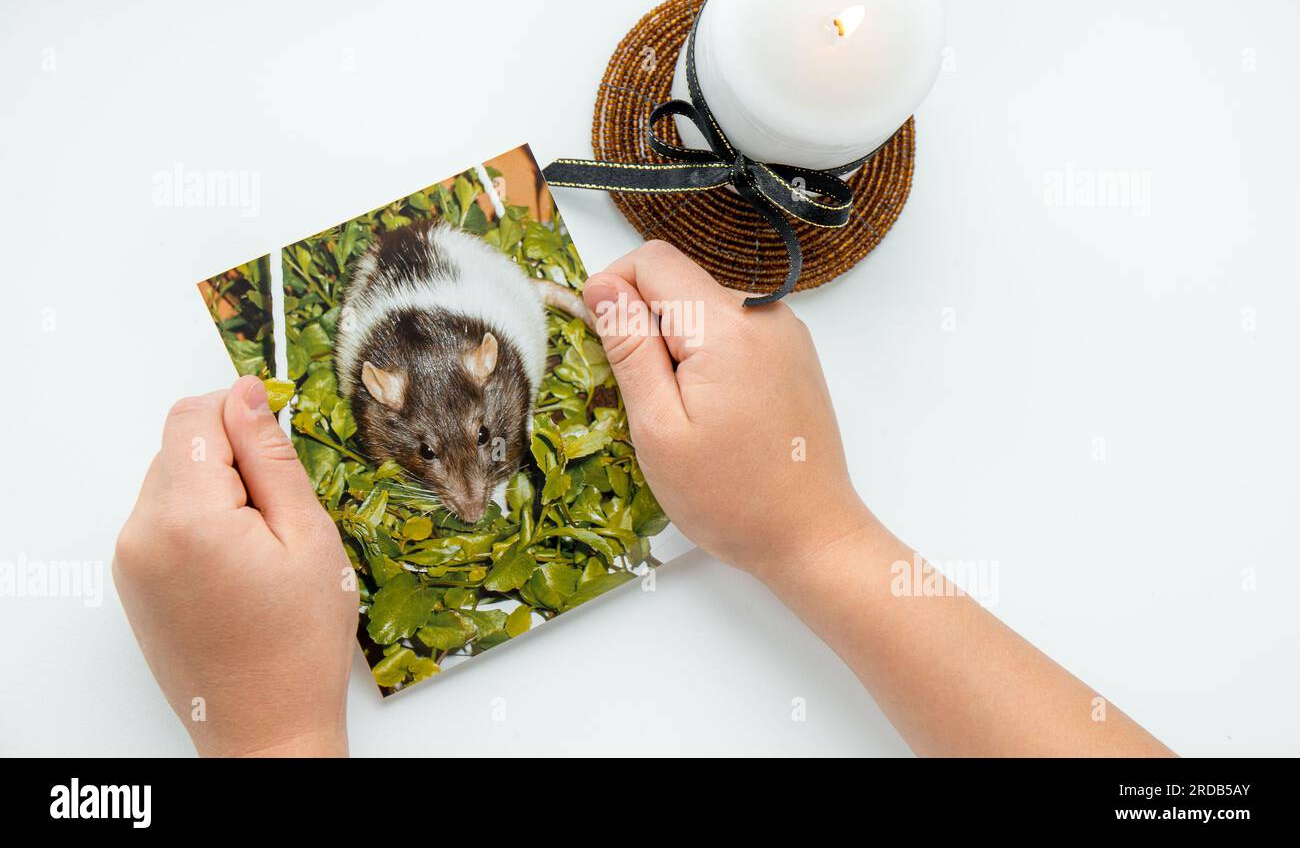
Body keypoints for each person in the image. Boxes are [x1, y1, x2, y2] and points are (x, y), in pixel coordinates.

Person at [114, 240, 1174, 757]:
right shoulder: (388, 389)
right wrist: (815, 532)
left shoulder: (496, 369)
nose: (472, 496)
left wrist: (268, 735)